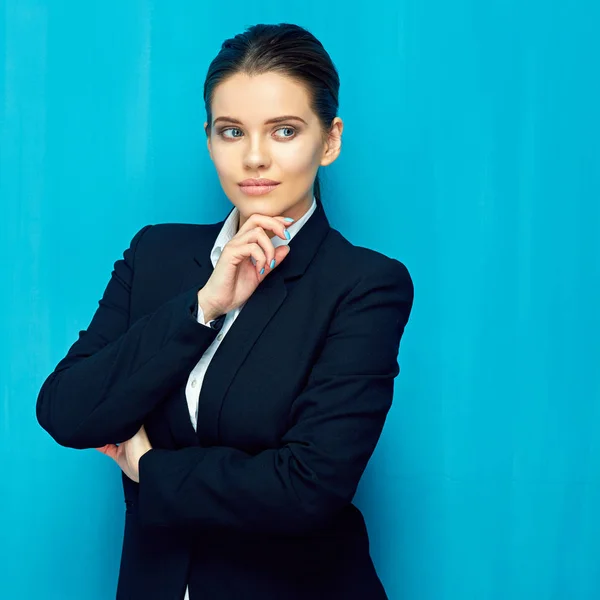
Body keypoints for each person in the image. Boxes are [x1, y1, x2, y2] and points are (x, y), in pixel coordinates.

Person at [36, 22, 414, 600]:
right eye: (232, 131)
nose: (255, 157)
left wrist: (148, 469)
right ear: (209, 138)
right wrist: (204, 306)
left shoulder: (364, 285)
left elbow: (305, 490)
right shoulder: (155, 255)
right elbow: (66, 411)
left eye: (284, 130)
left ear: (330, 140)